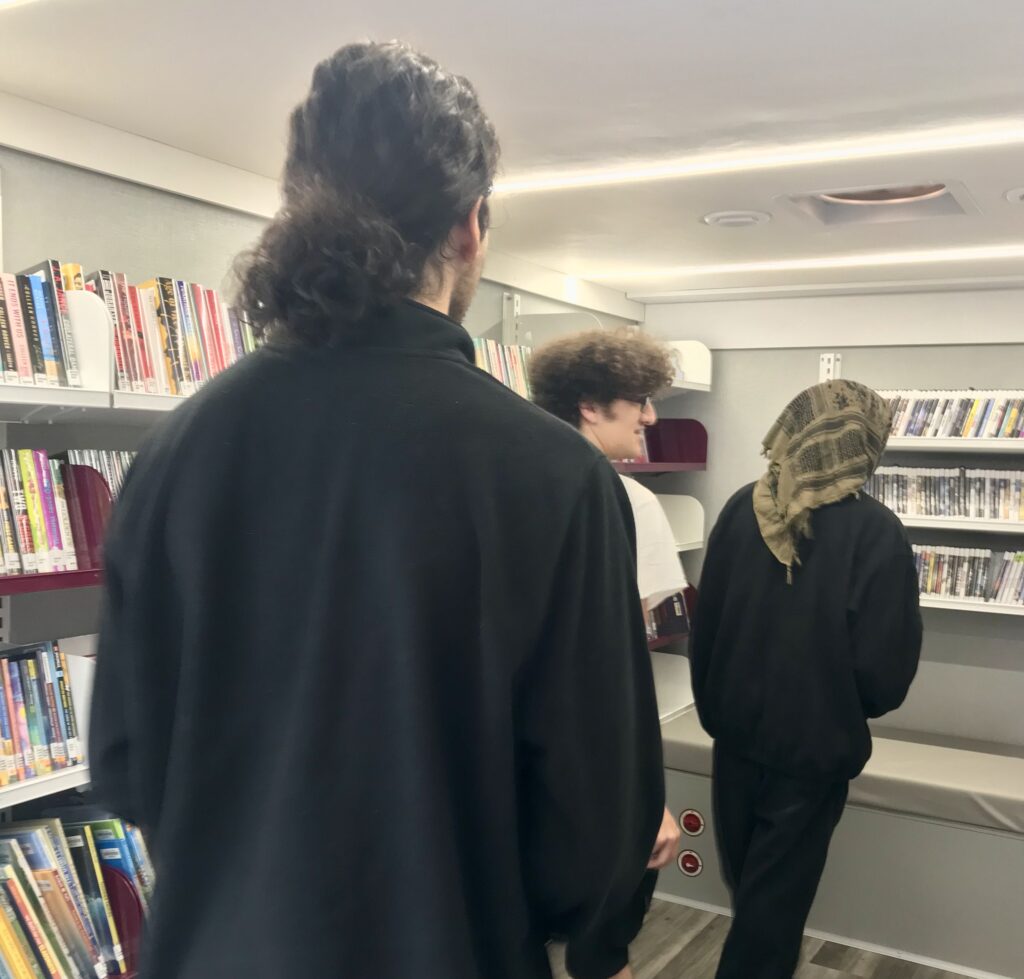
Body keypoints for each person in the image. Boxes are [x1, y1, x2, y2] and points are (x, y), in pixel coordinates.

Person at [89, 42, 663, 979]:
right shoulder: (558, 479)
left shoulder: (171, 456)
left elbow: (127, 761)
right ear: (471, 226)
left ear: (299, 207)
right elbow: (595, 834)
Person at [689, 380, 923, 979]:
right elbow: (884, 673)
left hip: (735, 740)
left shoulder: (743, 508)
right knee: (773, 910)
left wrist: (720, 706)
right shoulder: (876, 533)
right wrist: (841, 704)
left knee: (752, 892)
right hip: (813, 753)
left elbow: (705, 627)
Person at [530, 330, 687, 871]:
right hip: (586, 746)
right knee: (603, 937)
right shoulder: (632, 502)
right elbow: (617, 657)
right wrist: (643, 792)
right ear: (589, 407)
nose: (650, 419)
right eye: (639, 402)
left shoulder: (510, 481)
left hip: (510, 744)